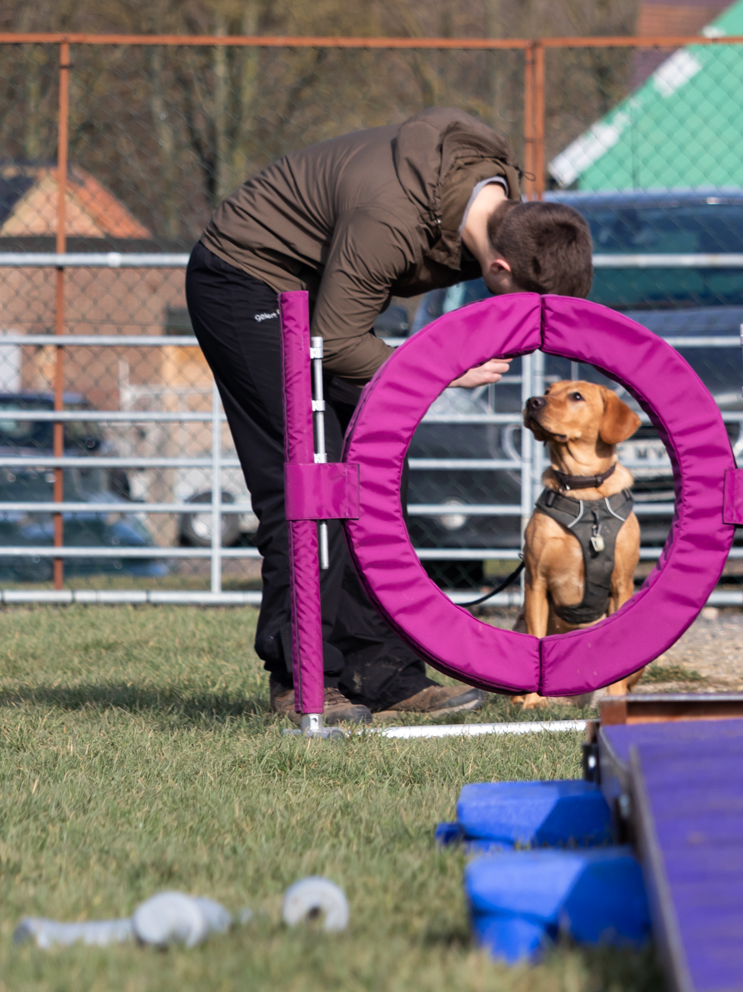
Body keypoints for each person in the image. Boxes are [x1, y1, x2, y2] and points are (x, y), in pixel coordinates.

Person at [186, 106, 593, 720]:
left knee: (367, 477)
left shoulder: (496, 200)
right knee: (304, 478)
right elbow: (340, 339)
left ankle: (386, 675)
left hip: (321, 288)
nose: (527, 333)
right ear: (500, 268)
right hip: (246, 278)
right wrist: (444, 370)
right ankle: (302, 679)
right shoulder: (391, 220)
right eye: (525, 311)